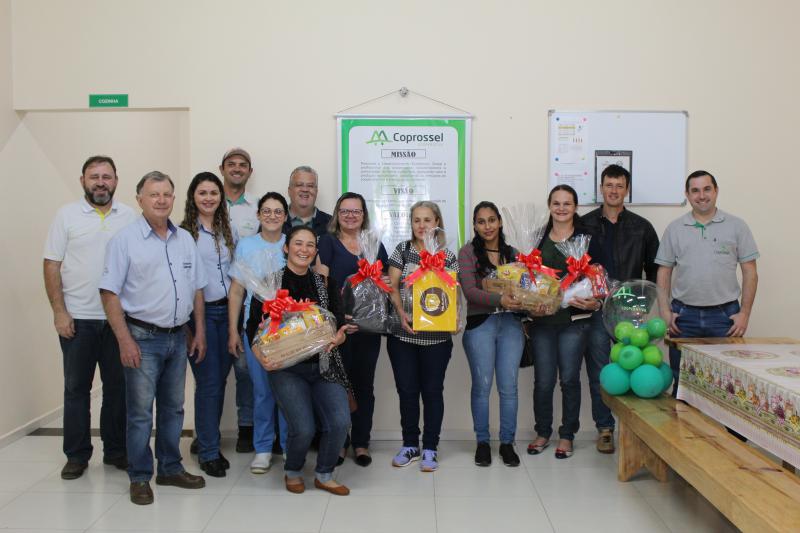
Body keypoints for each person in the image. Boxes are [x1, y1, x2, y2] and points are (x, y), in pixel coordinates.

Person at [99, 171, 207, 505]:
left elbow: (197, 290)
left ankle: (171, 468)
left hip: (178, 338)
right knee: (141, 413)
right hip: (141, 337)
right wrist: (124, 340)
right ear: (140, 199)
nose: (161, 200)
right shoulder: (124, 240)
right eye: (153, 194)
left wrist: (199, 331)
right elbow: (109, 292)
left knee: (174, 409)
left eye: (166, 195)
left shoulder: (185, 239)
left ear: (174, 199)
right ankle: (140, 476)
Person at [43, 155, 137, 480]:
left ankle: (116, 451)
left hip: (118, 322)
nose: (101, 182)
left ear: (116, 180)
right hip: (78, 320)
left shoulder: (130, 217)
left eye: (107, 177)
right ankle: (77, 455)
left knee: (117, 389)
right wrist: (59, 311)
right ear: (82, 179)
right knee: (76, 390)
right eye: (94, 176)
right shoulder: (66, 216)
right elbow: (52, 264)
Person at [258, 226, 352, 496]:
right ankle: (293, 470)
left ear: (315, 251)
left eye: (310, 245)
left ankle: (324, 473)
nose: (304, 250)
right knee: (303, 428)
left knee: (338, 422)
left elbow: (339, 326)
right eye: (298, 244)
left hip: (324, 365)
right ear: (286, 248)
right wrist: (261, 359)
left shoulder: (325, 285)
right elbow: (255, 328)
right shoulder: (271, 284)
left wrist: (339, 339)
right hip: (287, 369)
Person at [579, 164, 660, 453]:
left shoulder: (642, 227)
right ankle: (604, 428)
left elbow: (654, 272)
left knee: (635, 367)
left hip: (630, 311)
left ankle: (634, 431)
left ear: (626, 190)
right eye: (609, 185)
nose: (614, 190)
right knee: (601, 370)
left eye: (619, 185)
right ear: (601, 188)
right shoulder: (584, 224)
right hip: (597, 310)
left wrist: (643, 305)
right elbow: (574, 268)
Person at [656, 170, 759, 393]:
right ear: (687, 194)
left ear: (716, 191)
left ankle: (723, 430)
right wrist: (665, 312)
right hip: (683, 317)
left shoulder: (736, 226)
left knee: (728, 386)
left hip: (725, 317)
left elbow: (750, 272)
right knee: (682, 383)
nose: (701, 196)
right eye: (695, 191)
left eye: (706, 189)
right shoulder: (675, 229)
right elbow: (664, 272)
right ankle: (681, 429)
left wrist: (745, 313)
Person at [527, 185, 601, 460]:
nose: (561, 208)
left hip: (575, 320)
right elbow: (528, 277)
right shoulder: (535, 238)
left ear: (575, 207)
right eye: (556, 203)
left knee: (569, 379)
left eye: (567, 203)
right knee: (544, 381)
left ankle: (567, 434)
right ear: (549, 206)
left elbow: (599, 276)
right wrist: (530, 299)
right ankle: (543, 432)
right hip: (543, 321)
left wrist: (595, 301)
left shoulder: (588, 239)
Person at [316, 192, 389, 467]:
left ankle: (361, 442)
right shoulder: (327, 242)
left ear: (363, 215)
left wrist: (371, 317)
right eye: (345, 211)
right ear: (337, 214)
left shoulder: (374, 244)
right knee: (336, 388)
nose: (350, 215)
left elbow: (383, 284)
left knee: (364, 387)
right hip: (338, 330)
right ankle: (339, 443)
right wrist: (339, 317)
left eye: (356, 211)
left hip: (368, 331)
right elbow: (321, 284)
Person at [387, 201, 459, 472]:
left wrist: (456, 317)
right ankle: (409, 445)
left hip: (437, 339)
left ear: (437, 222)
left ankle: (430, 447)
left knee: (432, 392)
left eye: (427, 220)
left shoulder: (447, 256)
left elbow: (452, 293)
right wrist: (400, 313)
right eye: (416, 220)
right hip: (403, 335)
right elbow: (391, 287)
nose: (421, 225)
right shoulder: (402, 251)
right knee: (406, 392)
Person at [458, 201, 525, 467]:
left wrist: (531, 298)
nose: (487, 226)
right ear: (475, 225)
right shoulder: (467, 253)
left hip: (511, 326)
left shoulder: (514, 254)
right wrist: (500, 300)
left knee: (509, 388)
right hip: (480, 325)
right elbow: (470, 292)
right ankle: (483, 443)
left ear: (499, 222)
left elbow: (524, 290)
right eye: (481, 221)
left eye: (492, 220)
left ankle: (507, 443)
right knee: (482, 387)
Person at [180, 172, 237, 477]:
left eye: (213, 193)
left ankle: (205, 438)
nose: (208, 198)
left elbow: (235, 272)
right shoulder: (182, 234)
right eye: (202, 193)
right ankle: (209, 453)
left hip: (227, 314)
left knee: (219, 381)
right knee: (209, 383)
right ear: (193, 197)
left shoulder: (227, 230)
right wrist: (194, 329)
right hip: (198, 316)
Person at [228, 192, 290, 474]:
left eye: (278, 211)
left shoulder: (293, 244)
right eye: (267, 211)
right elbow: (238, 290)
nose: (272, 216)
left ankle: (289, 445)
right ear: (258, 215)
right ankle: (263, 448)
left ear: (286, 217)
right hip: (256, 327)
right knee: (262, 391)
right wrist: (233, 329)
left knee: (289, 391)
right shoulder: (246, 246)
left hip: (290, 329)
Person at [218, 147, 257, 454]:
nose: (237, 169)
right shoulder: (209, 204)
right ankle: (208, 434)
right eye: (231, 164)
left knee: (245, 372)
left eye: (242, 165)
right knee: (213, 377)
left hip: (242, 300)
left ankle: (247, 427)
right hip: (209, 301)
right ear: (222, 169)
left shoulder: (256, 210)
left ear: (249, 172)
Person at [281, 166, 331, 237]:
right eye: (299, 185)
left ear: (316, 191)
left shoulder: (331, 223)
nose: (305, 189)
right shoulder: (275, 221)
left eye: (310, 186)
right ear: (289, 191)